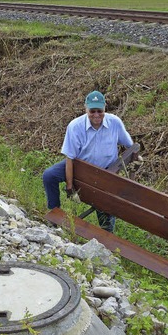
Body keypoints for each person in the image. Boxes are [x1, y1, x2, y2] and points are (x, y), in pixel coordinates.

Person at [42, 90, 133, 232]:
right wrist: (70, 186)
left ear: (105, 108)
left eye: (99, 111)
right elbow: (70, 158)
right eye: (92, 111)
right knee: (49, 175)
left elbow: (129, 146)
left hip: (104, 172)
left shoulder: (115, 123)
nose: (96, 115)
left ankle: (106, 234)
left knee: (104, 203)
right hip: (80, 167)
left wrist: (124, 166)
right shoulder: (75, 126)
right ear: (86, 109)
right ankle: (54, 214)